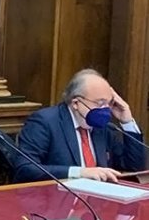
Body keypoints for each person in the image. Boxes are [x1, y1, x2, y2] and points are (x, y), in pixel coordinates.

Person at [14, 69, 145, 183]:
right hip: (57, 198)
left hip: (98, 197)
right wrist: (80, 172)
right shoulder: (45, 122)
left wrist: (127, 121)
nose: (106, 110)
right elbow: (25, 169)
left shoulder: (103, 127)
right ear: (76, 103)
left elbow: (134, 168)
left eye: (109, 103)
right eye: (100, 103)